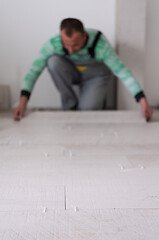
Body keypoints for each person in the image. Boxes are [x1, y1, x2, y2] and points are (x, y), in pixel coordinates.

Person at [13, 18, 152, 121]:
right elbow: (33, 72)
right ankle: (70, 107)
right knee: (53, 61)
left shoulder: (100, 44)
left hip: (96, 76)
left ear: (84, 36)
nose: (71, 49)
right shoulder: (53, 44)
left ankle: (94, 101)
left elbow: (122, 72)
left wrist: (143, 101)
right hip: (72, 72)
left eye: (75, 45)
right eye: (66, 45)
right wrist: (22, 103)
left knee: (86, 115)